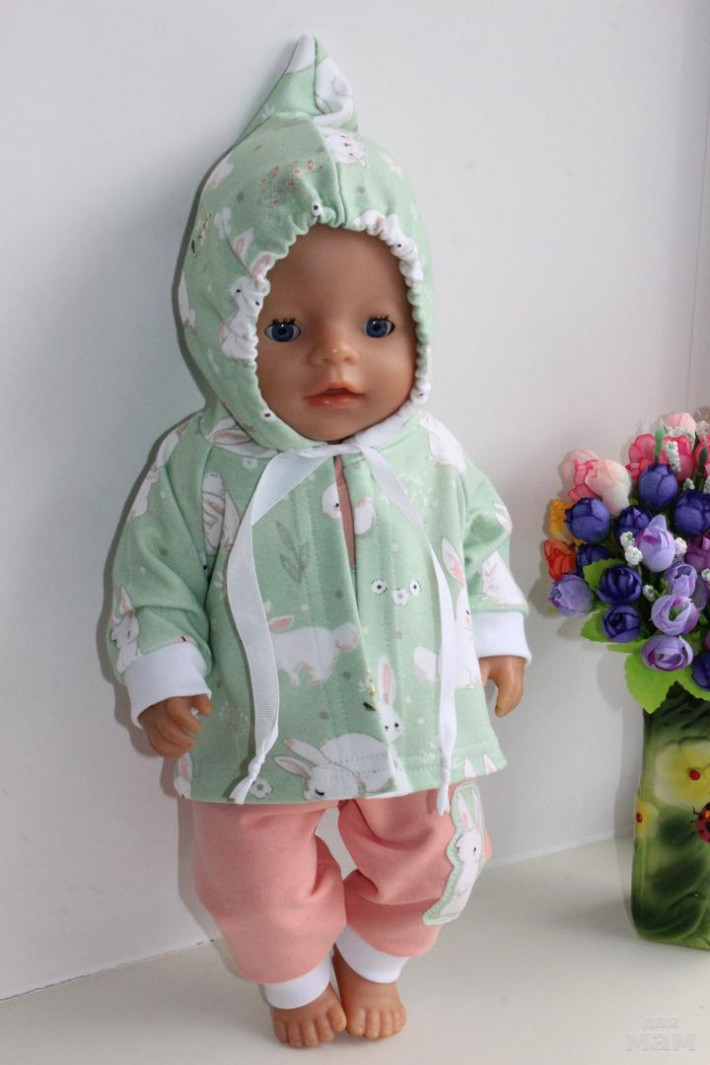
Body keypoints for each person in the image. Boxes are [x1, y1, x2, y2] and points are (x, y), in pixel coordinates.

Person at [107, 34, 531, 1048]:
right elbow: (153, 573)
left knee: (435, 847)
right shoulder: (204, 462)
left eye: (375, 327)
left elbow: (479, 542)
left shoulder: (430, 456)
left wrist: (492, 635)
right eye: (288, 330)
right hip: (258, 729)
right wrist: (162, 673)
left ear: (417, 324)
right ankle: (295, 975)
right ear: (225, 326)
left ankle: (375, 955)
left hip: (413, 719)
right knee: (248, 873)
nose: (337, 356)